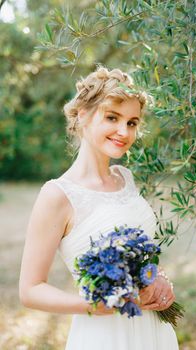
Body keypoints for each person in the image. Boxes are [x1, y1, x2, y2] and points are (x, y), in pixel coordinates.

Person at [19, 66, 179, 349]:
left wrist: (159, 277)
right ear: (83, 116)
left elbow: (142, 253)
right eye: (112, 117)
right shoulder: (57, 195)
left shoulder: (124, 178)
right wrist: (95, 305)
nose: (123, 131)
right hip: (104, 334)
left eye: (132, 122)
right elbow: (30, 290)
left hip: (152, 329)